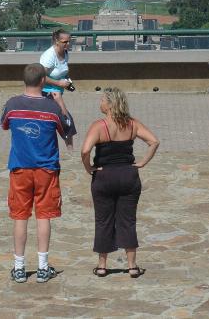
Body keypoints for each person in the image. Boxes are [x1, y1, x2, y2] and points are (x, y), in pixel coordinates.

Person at [1, 63, 72, 284]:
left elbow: (5, 125)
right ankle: (42, 267)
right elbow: (67, 130)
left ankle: (19, 267)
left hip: (20, 167)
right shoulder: (51, 109)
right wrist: (61, 104)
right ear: (43, 81)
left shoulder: (12, 105)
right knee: (44, 216)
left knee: (20, 217)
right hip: (46, 170)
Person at [80, 87, 159, 279]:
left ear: (110, 104)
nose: (100, 103)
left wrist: (88, 167)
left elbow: (85, 150)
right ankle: (132, 266)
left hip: (104, 176)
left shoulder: (99, 126)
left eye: (102, 100)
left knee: (103, 220)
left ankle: (102, 265)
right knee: (128, 220)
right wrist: (142, 162)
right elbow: (154, 141)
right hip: (128, 175)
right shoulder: (132, 124)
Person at [39, 28, 77, 146]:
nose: (68, 44)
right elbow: (41, 77)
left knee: (61, 122)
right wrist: (59, 83)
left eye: (69, 41)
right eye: (65, 42)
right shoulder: (49, 56)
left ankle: (69, 151)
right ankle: (70, 151)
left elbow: (62, 71)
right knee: (66, 121)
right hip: (47, 93)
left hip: (57, 92)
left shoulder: (65, 53)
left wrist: (67, 80)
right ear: (56, 41)